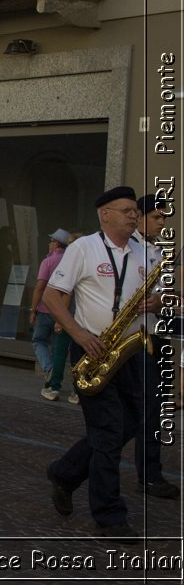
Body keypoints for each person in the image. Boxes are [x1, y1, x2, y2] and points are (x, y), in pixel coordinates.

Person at [43, 186, 161, 539]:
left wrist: (157, 302)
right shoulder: (83, 248)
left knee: (130, 425)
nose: (133, 215)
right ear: (104, 214)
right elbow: (52, 297)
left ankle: (65, 473)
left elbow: (163, 294)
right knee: (109, 431)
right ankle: (109, 515)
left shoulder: (146, 252)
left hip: (132, 350)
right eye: (125, 210)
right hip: (94, 349)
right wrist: (79, 335)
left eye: (134, 211)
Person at [132, 194, 179, 499]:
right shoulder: (130, 249)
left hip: (156, 335)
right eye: (158, 217)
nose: (163, 223)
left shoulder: (157, 252)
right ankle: (148, 473)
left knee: (155, 406)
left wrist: (164, 300)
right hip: (133, 339)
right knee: (139, 410)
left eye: (164, 218)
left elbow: (167, 294)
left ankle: (151, 472)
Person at [33, 228, 73, 401]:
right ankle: (57, 379)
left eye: (51, 241)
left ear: (56, 243)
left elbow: (40, 286)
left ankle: (50, 371)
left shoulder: (48, 260)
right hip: (65, 311)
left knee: (38, 340)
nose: (49, 243)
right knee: (59, 349)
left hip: (45, 309)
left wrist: (32, 309)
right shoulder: (71, 260)